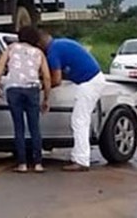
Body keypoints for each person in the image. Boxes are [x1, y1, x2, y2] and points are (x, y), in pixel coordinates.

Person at [38, 30, 105, 171]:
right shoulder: (61, 43)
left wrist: (41, 87)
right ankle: (79, 156)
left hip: (89, 82)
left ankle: (81, 160)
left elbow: (56, 80)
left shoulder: (53, 52)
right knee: (81, 120)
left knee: (80, 121)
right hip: (93, 79)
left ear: (40, 44)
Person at [0, 26, 51, 173]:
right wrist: (46, 99)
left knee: (19, 127)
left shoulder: (11, 48)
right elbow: (47, 77)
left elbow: (0, 66)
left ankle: (22, 164)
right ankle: (38, 164)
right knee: (34, 127)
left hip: (14, 89)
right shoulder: (39, 53)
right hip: (32, 89)